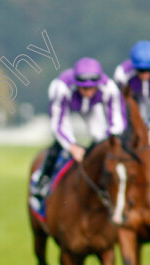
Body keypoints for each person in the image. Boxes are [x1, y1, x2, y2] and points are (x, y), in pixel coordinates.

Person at [32, 57, 126, 202]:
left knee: (100, 140)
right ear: (77, 85)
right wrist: (72, 146)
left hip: (92, 108)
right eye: (84, 88)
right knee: (60, 144)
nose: (88, 92)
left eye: (91, 88)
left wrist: (108, 141)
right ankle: (43, 179)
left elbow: (117, 122)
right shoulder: (61, 87)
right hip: (68, 107)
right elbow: (58, 124)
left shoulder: (109, 87)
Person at [114, 40, 150, 127]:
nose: (145, 74)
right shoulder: (122, 74)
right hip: (133, 98)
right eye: (141, 70)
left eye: (148, 70)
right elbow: (118, 98)